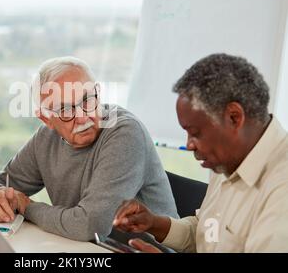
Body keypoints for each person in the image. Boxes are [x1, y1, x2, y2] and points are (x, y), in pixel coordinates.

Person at [0, 56, 177, 241]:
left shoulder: (125, 132)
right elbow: (3, 183)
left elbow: (90, 226)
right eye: (66, 110)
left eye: (87, 100)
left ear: (98, 93)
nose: (83, 117)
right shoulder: (46, 138)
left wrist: (26, 206)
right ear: (46, 119)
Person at [113, 53, 288, 253]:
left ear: (234, 117)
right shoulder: (227, 160)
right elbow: (207, 234)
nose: (189, 145)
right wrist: (154, 223)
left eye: (195, 133)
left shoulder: (281, 189)